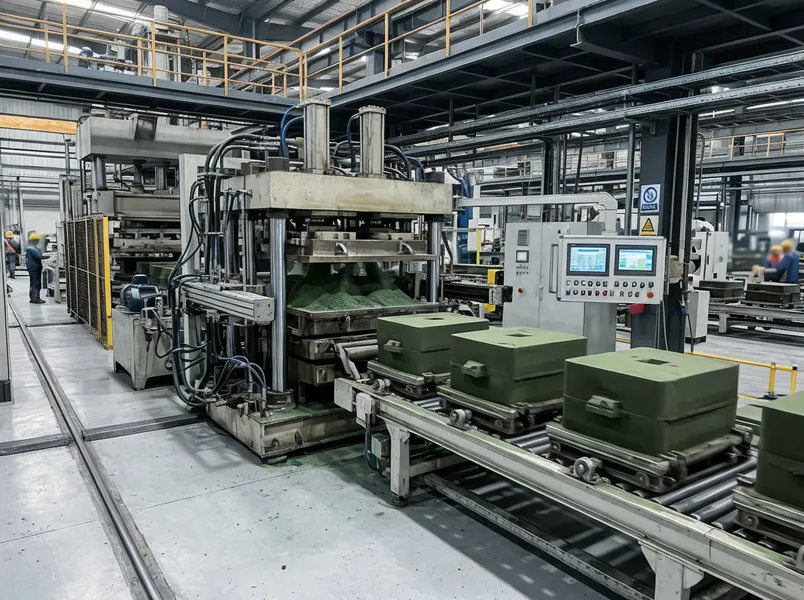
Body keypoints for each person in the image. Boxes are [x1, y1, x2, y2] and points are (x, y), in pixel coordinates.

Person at [25, 232, 45, 304]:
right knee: (36, 284)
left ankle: (33, 297)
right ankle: (35, 298)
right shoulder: (33, 249)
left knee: (33, 283)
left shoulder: (29, 248)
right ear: (36, 241)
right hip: (35, 268)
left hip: (32, 268)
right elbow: (39, 257)